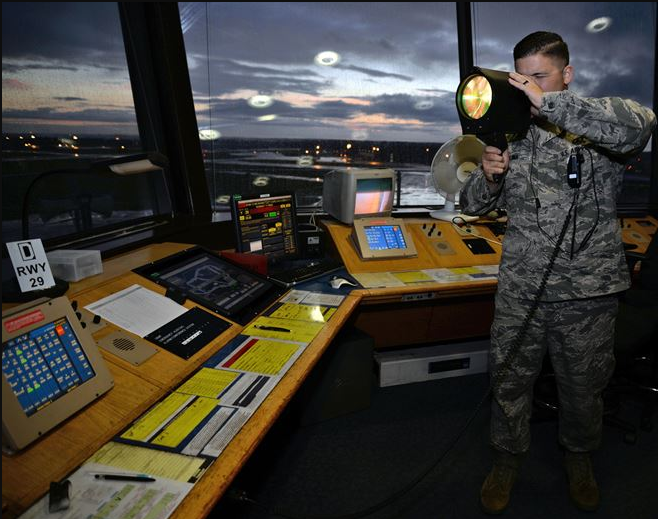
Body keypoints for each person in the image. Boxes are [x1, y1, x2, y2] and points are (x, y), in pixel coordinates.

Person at [459, 31, 656, 514]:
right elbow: (472, 206)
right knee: (508, 380)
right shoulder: (509, 131)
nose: (528, 88)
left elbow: (641, 125)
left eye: (539, 78)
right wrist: (489, 175)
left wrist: (552, 105)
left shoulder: (594, 124)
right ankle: (506, 459)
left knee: (583, 386)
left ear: (566, 74)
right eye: (521, 78)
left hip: (587, 290)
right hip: (522, 288)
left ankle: (579, 457)